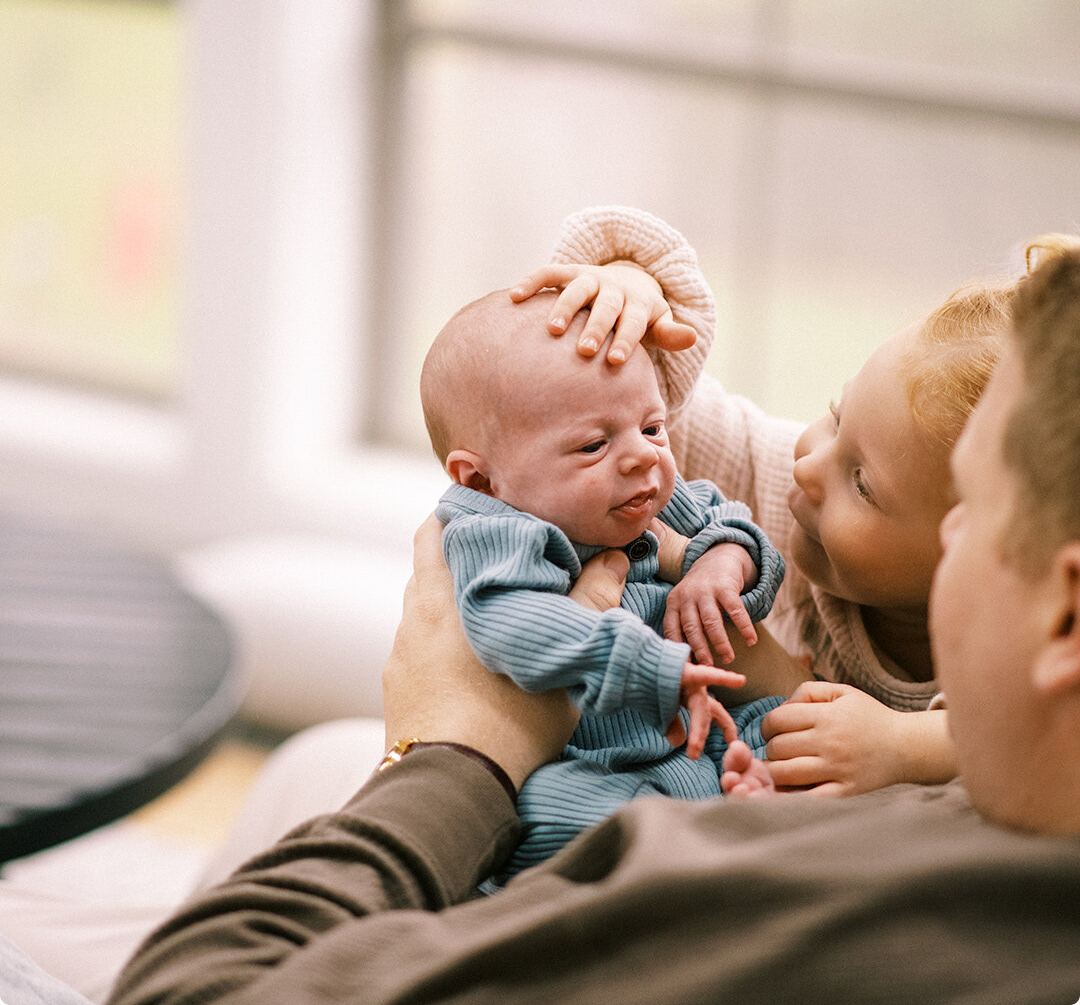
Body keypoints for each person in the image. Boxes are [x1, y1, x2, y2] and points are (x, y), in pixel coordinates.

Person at [105, 240, 1080, 1004]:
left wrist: (458, 756)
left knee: (305, 782)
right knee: (312, 761)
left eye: (972, 516)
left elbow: (195, 988)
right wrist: (620, 291)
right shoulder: (1004, 844)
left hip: (555, 810)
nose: (809, 471)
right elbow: (658, 409)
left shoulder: (783, 909)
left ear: (1065, 616)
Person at [512, 206, 1022, 795]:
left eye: (862, 484)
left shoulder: (1012, 644)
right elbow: (661, 421)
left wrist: (908, 746)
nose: (808, 466)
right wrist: (628, 296)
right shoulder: (792, 488)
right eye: (835, 416)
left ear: (975, 553)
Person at [421, 288, 785, 880]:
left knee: (788, 726)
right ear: (482, 479)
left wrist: (722, 564)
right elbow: (512, 623)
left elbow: (734, 524)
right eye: (594, 444)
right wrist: (651, 666)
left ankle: (753, 804)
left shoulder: (646, 499)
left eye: (654, 426)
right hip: (588, 758)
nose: (642, 456)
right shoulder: (493, 529)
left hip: (697, 735)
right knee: (549, 814)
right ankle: (695, 852)